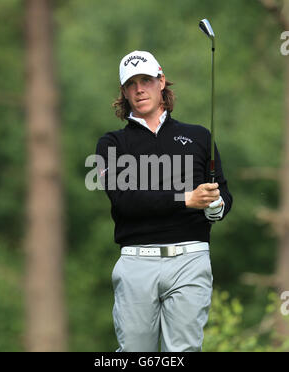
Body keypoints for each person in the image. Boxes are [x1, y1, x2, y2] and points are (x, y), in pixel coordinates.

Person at [95, 50, 233, 352]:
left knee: (183, 352)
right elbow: (125, 201)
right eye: (131, 84)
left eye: (146, 80)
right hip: (136, 262)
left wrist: (213, 206)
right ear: (123, 93)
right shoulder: (112, 143)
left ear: (161, 82)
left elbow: (223, 196)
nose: (139, 89)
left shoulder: (199, 137)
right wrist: (187, 199)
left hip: (190, 259)